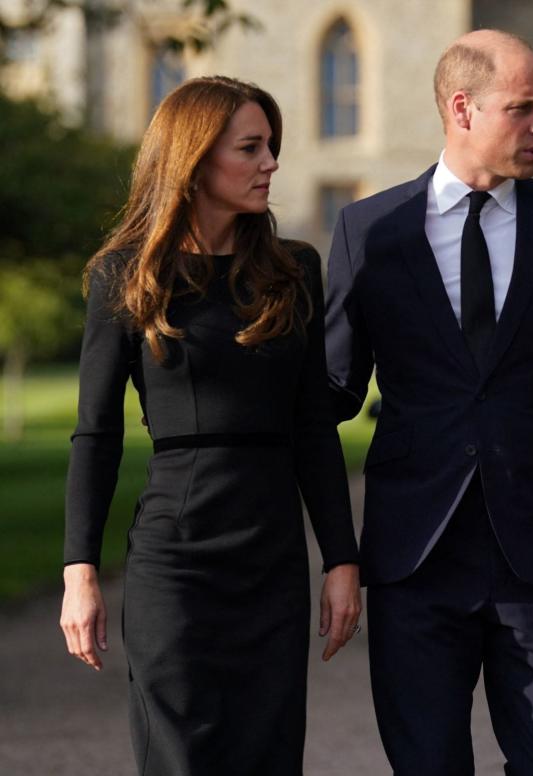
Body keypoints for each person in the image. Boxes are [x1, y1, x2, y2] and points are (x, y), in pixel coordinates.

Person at [323, 30, 533, 776]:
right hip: (414, 558)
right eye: (523, 108)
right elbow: (327, 396)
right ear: (462, 109)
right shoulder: (370, 232)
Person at [59, 76, 362, 774]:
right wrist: (79, 572)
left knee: (268, 753)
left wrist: (341, 559)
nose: (270, 164)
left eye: (272, 147)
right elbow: (95, 433)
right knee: (181, 757)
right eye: (251, 148)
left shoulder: (294, 272)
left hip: (272, 558)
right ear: (195, 160)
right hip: (176, 561)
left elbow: (314, 426)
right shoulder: (125, 276)